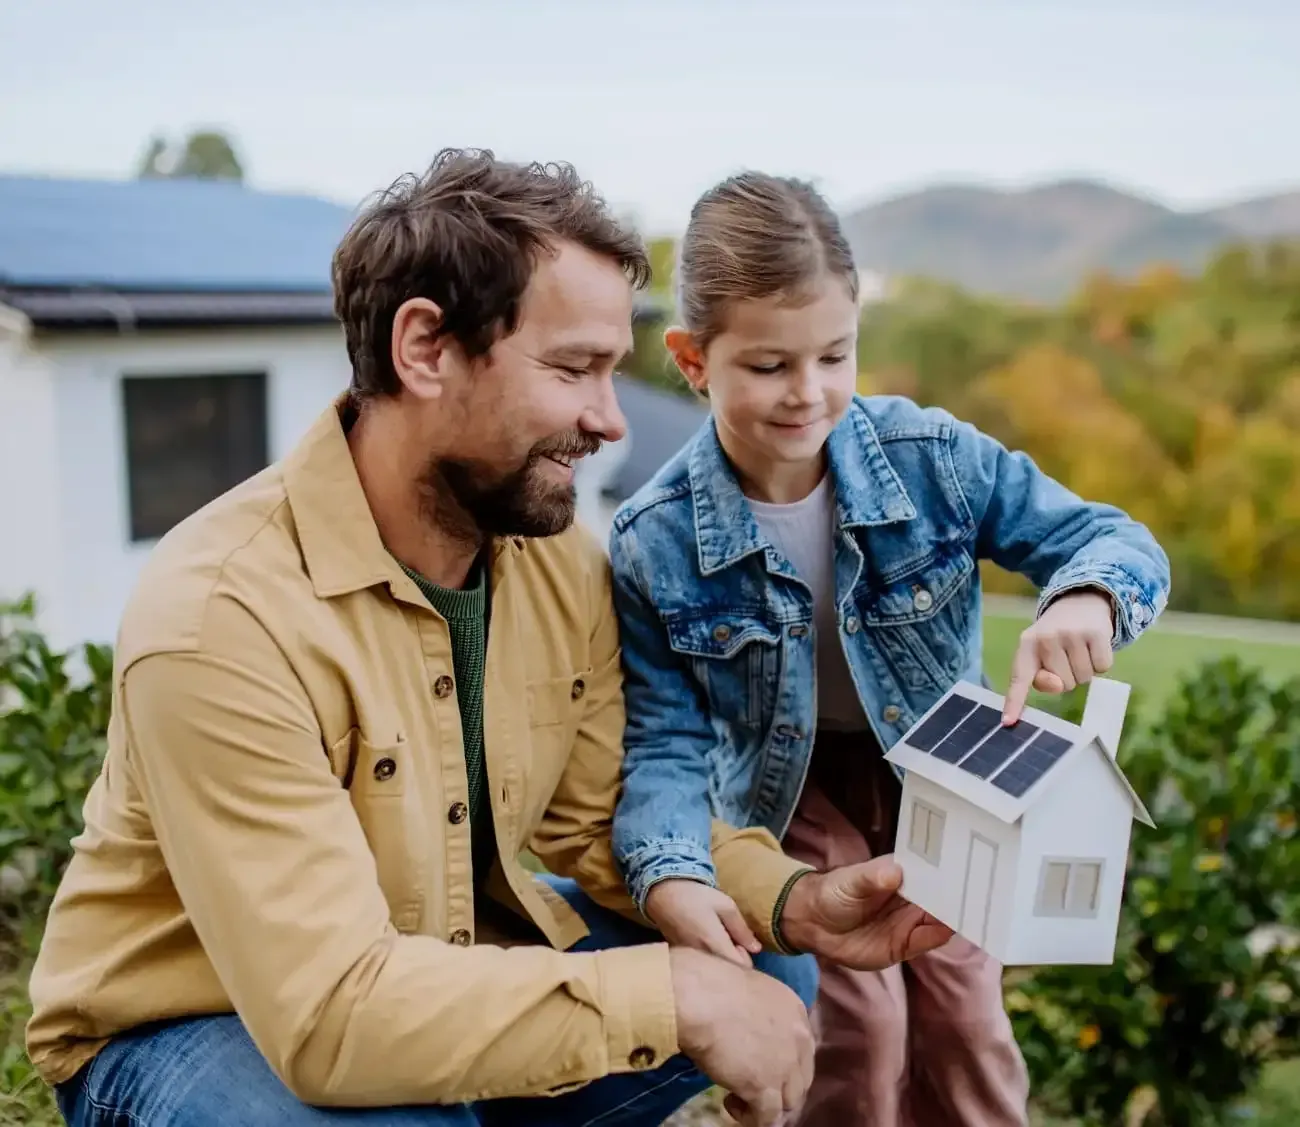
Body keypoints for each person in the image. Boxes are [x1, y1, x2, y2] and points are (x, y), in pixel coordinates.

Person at [24, 149, 954, 1127]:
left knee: (764, 962)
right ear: (425, 347)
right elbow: (332, 1010)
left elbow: (606, 812)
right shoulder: (220, 616)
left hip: (437, 956)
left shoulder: (550, 559)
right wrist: (671, 994)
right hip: (197, 1021)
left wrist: (793, 899)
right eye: (572, 369)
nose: (607, 419)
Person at [605, 171, 1172, 1126]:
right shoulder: (653, 539)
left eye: (834, 355)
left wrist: (1086, 595)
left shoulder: (932, 459)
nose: (808, 392)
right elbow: (663, 738)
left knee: (967, 1023)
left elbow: (1112, 540)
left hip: (948, 772)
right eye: (769, 365)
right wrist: (670, 867)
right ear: (694, 359)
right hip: (789, 793)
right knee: (856, 1033)